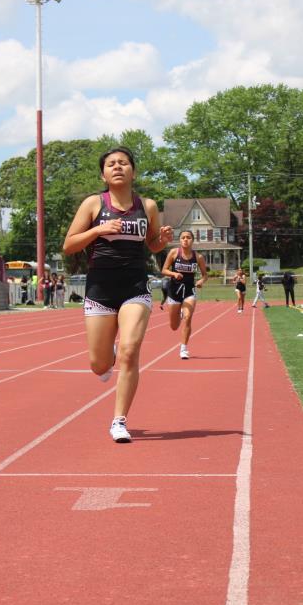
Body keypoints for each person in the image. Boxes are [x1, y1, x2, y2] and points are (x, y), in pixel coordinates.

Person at [62, 146, 173, 443]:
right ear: (103, 174)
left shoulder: (147, 206)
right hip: (100, 288)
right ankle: (107, 355)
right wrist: (98, 230)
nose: (118, 167)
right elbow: (69, 245)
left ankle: (119, 420)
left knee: (130, 350)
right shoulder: (93, 204)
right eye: (111, 164)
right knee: (99, 365)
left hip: (135, 286)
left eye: (123, 163)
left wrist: (161, 240)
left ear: (133, 171)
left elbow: (152, 245)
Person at [161, 230, 208, 359]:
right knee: (174, 326)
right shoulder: (174, 253)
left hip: (189, 291)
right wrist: (174, 274)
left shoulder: (198, 257)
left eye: (188, 237)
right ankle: (180, 312)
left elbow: (205, 275)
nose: (185, 240)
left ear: (192, 240)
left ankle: (183, 348)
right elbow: (164, 270)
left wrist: (201, 281)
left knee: (187, 318)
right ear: (180, 240)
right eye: (183, 237)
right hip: (174, 291)